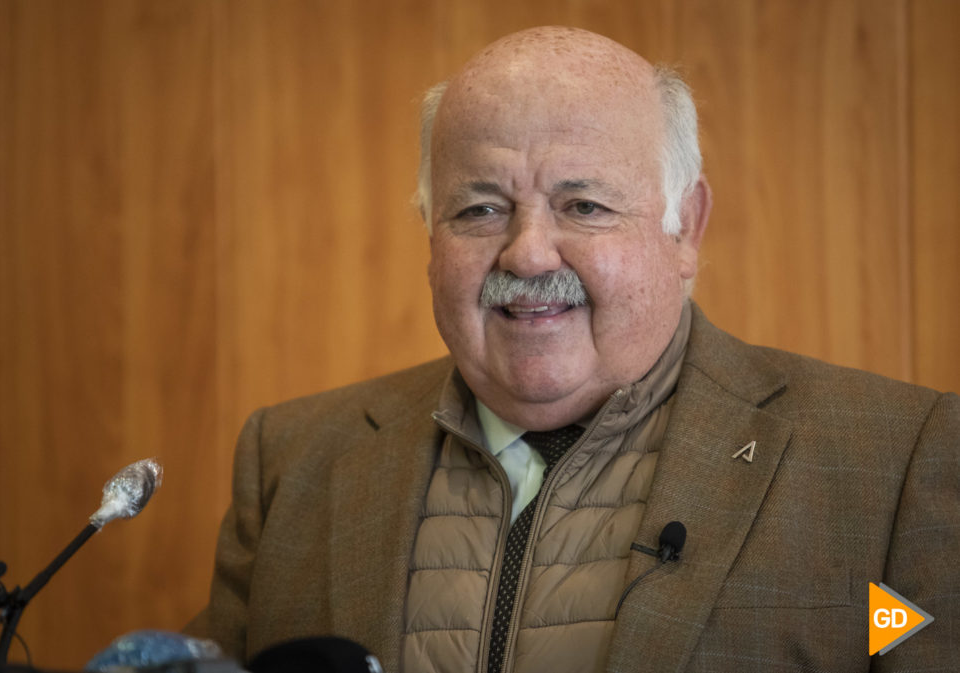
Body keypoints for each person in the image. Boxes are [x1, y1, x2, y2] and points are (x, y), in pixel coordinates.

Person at [186, 26, 959, 673]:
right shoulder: (289, 463)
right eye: (481, 208)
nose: (527, 254)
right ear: (430, 232)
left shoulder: (896, 463)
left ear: (684, 227)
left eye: (583, 205)